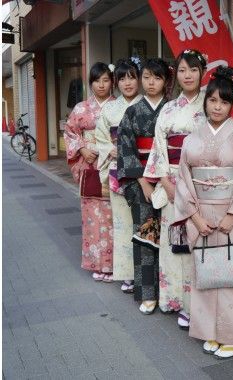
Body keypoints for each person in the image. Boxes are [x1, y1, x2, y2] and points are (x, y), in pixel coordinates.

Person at [173, 66, 233, 359]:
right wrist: (195, 217)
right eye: (212, 100)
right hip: (202, 214)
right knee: (207, 273)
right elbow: (184, 178)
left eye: (224, 101)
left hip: (232, 215)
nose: (217, 106)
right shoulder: (192, 137)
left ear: (232, 103)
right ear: (205, 101)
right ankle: (210, 331)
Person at [144, 49, 207, 329]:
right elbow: (159, 147)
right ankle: (173, 300)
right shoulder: (169, 108)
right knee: (174, 243)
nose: (188, 75)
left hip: (199, 184)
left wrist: (194, 183)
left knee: (197, 243)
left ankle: (197, 305)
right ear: (176, 75)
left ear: (202, 72)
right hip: (170, 182)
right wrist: (167, 183)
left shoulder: (211, 103)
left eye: (193, 69)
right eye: (182, 70)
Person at [117, 58, 170, 314]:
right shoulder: (132, 112)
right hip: (141, 184)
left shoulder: (171, 110)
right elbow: (126, 149)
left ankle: (170, 294)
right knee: (145, 237)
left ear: (166, 81)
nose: (151, 82)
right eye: (147, 77)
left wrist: (166, 181)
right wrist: (143, 182)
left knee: (171, 237)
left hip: (170, 182)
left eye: (157, 77)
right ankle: (148, 293)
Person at [64, 62, 115, 282]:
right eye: (97, 81)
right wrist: (83, 149)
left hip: (113, 164)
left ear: (112, 82)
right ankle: (96, 263)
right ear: (90, 83)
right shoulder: (81, 108)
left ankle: (115, 264)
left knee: (115, 217)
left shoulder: (119, 106)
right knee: (93, 218)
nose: (101, 85)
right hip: (90, 165)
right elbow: (70, 132)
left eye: (105, 80)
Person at [95, 58, 143, 293]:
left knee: (143, 223)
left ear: (140, 78)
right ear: (117, 82)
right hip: (117, 170)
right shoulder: (110, 109)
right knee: (123, 224)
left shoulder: (149, 105)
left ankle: (146, 273)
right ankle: (127, 273)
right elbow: (101, 138)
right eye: (122, 78)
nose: (127, 83)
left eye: (132, 76)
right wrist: (110, 149)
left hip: (144, 174)